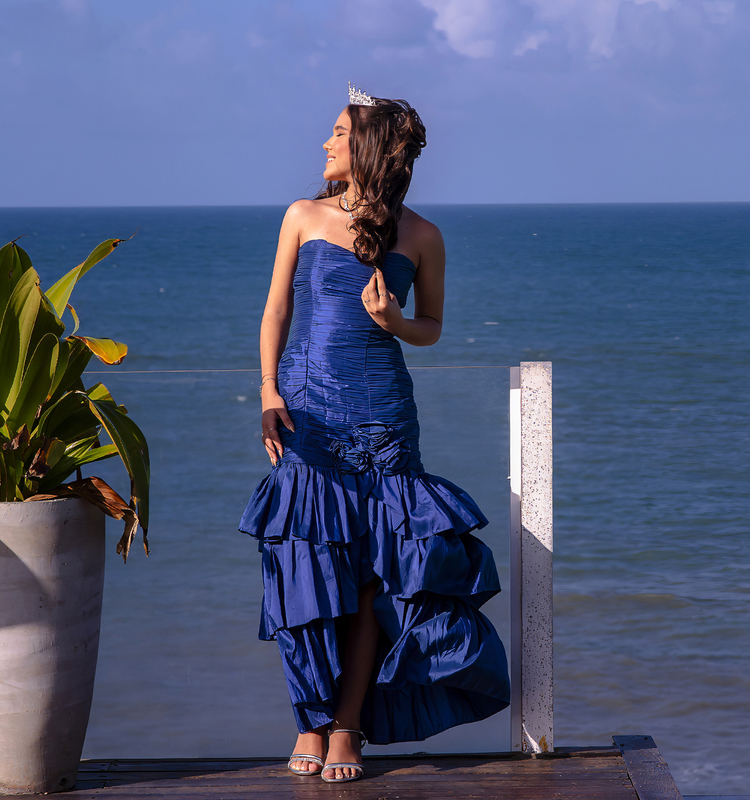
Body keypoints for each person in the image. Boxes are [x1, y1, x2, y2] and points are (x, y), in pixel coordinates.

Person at [239, 84, 510, 784]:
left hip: (383, 419)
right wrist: (268, 391)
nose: (326, 143)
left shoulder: (422, 236)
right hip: (306, 415)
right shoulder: (302, 215)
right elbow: (275, 311)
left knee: (372, 578)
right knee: (304, 567)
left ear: (368, 147)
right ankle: (309, 718)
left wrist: (395, 322)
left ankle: (347, 726)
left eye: (338, 132)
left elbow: (432, 327)